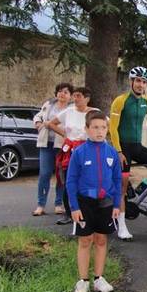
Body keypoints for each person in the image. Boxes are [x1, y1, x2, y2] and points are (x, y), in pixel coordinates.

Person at [67, 111, 122, 292]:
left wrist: (116, 205)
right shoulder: (79, 152)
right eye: (95, 127)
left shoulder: (112, 152)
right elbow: (71, 181)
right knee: (85, 240)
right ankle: (82, 281)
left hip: (105, 203)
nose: (100, 131)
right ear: (87, 129)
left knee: (101, 239)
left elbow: (116, 180)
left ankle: (99, 278)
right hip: (84, 204)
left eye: (103, 127)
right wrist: (74, 207)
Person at [109, 66, 147, 241]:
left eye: (144, 82)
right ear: (132, 81)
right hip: (122, 148)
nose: (141, 84)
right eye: (138, 81)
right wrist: (118, 151)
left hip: (137, 147)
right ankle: (122, 227)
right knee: (122, 186)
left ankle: (145, 195)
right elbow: (113, 128)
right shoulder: (121, 100)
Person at [49, 87, 99, 225]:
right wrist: (65, 135)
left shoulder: (94, 113)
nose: (75, 99)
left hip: (88, 149)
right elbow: (52, 123)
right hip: (70, 150)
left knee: (89, 180)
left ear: (87, 98)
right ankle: (69, 213)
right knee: (69, 181)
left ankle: (90, 210)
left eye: (78, 96)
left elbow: (106, 126)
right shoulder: (69, 111)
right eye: (75, 96)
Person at [32, 82, 72, 217]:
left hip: (62, 146)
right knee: (44, 174)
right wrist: (38, 123)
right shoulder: (49, 105)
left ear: (70, 96)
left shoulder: (71, 110)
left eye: (66, 92)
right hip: (45, 143)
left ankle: (58, 204)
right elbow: (38, 116)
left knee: (61, 176)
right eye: (60, 91)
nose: (62, 94)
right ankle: (40, 205)